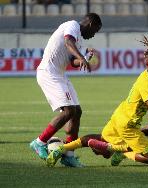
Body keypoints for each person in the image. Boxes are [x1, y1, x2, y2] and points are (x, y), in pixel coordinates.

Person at [46, 36, 148, 167]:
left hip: (121, 115)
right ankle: (121, 151)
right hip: (128, 125)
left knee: (102, 145)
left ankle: (62, 149)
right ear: (147, 64)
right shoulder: (146, 81)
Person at [29, 13, 102, 167]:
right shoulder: (72, 25)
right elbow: (68, 41)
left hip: (60, 74)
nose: (94, 35)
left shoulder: (79, 41)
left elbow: (72, 62)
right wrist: (81, 57)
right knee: (68, 111)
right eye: (95, 31)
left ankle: (69, 154)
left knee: (77, 111)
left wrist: (84, 58)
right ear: (90, 25)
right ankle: (39, 142)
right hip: (49, 72)